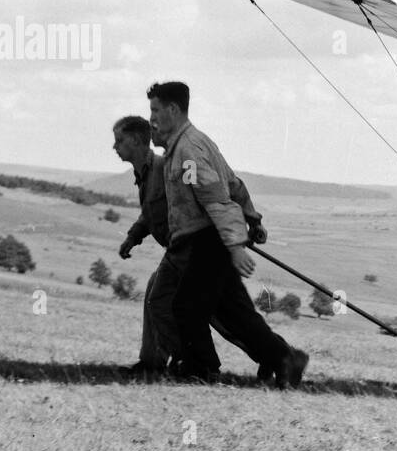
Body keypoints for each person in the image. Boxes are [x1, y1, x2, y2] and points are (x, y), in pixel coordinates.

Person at [146, 81, 308, 388]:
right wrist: (252, 219)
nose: (151, 117)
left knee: (187, 307)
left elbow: (215, 198)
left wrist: (235, 244)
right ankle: (286, 358)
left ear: (172, 109)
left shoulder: (189, 151)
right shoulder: (190, 144)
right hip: (203, 241)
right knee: (235, 314)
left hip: (207, 241)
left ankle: (202, 369)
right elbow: (232, 184)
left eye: (155, 110)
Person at [113, 115, 266, 379]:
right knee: (162, 301)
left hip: (197, 252)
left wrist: (249, 223)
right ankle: (158, 361)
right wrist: (133, 237)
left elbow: (220, 191)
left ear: (137, 141)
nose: (114, 147)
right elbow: (151, 213)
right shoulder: (144, 175)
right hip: (180, 254)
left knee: (221, 315)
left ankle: (268, 356)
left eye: (119, 140)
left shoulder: (163, 169)